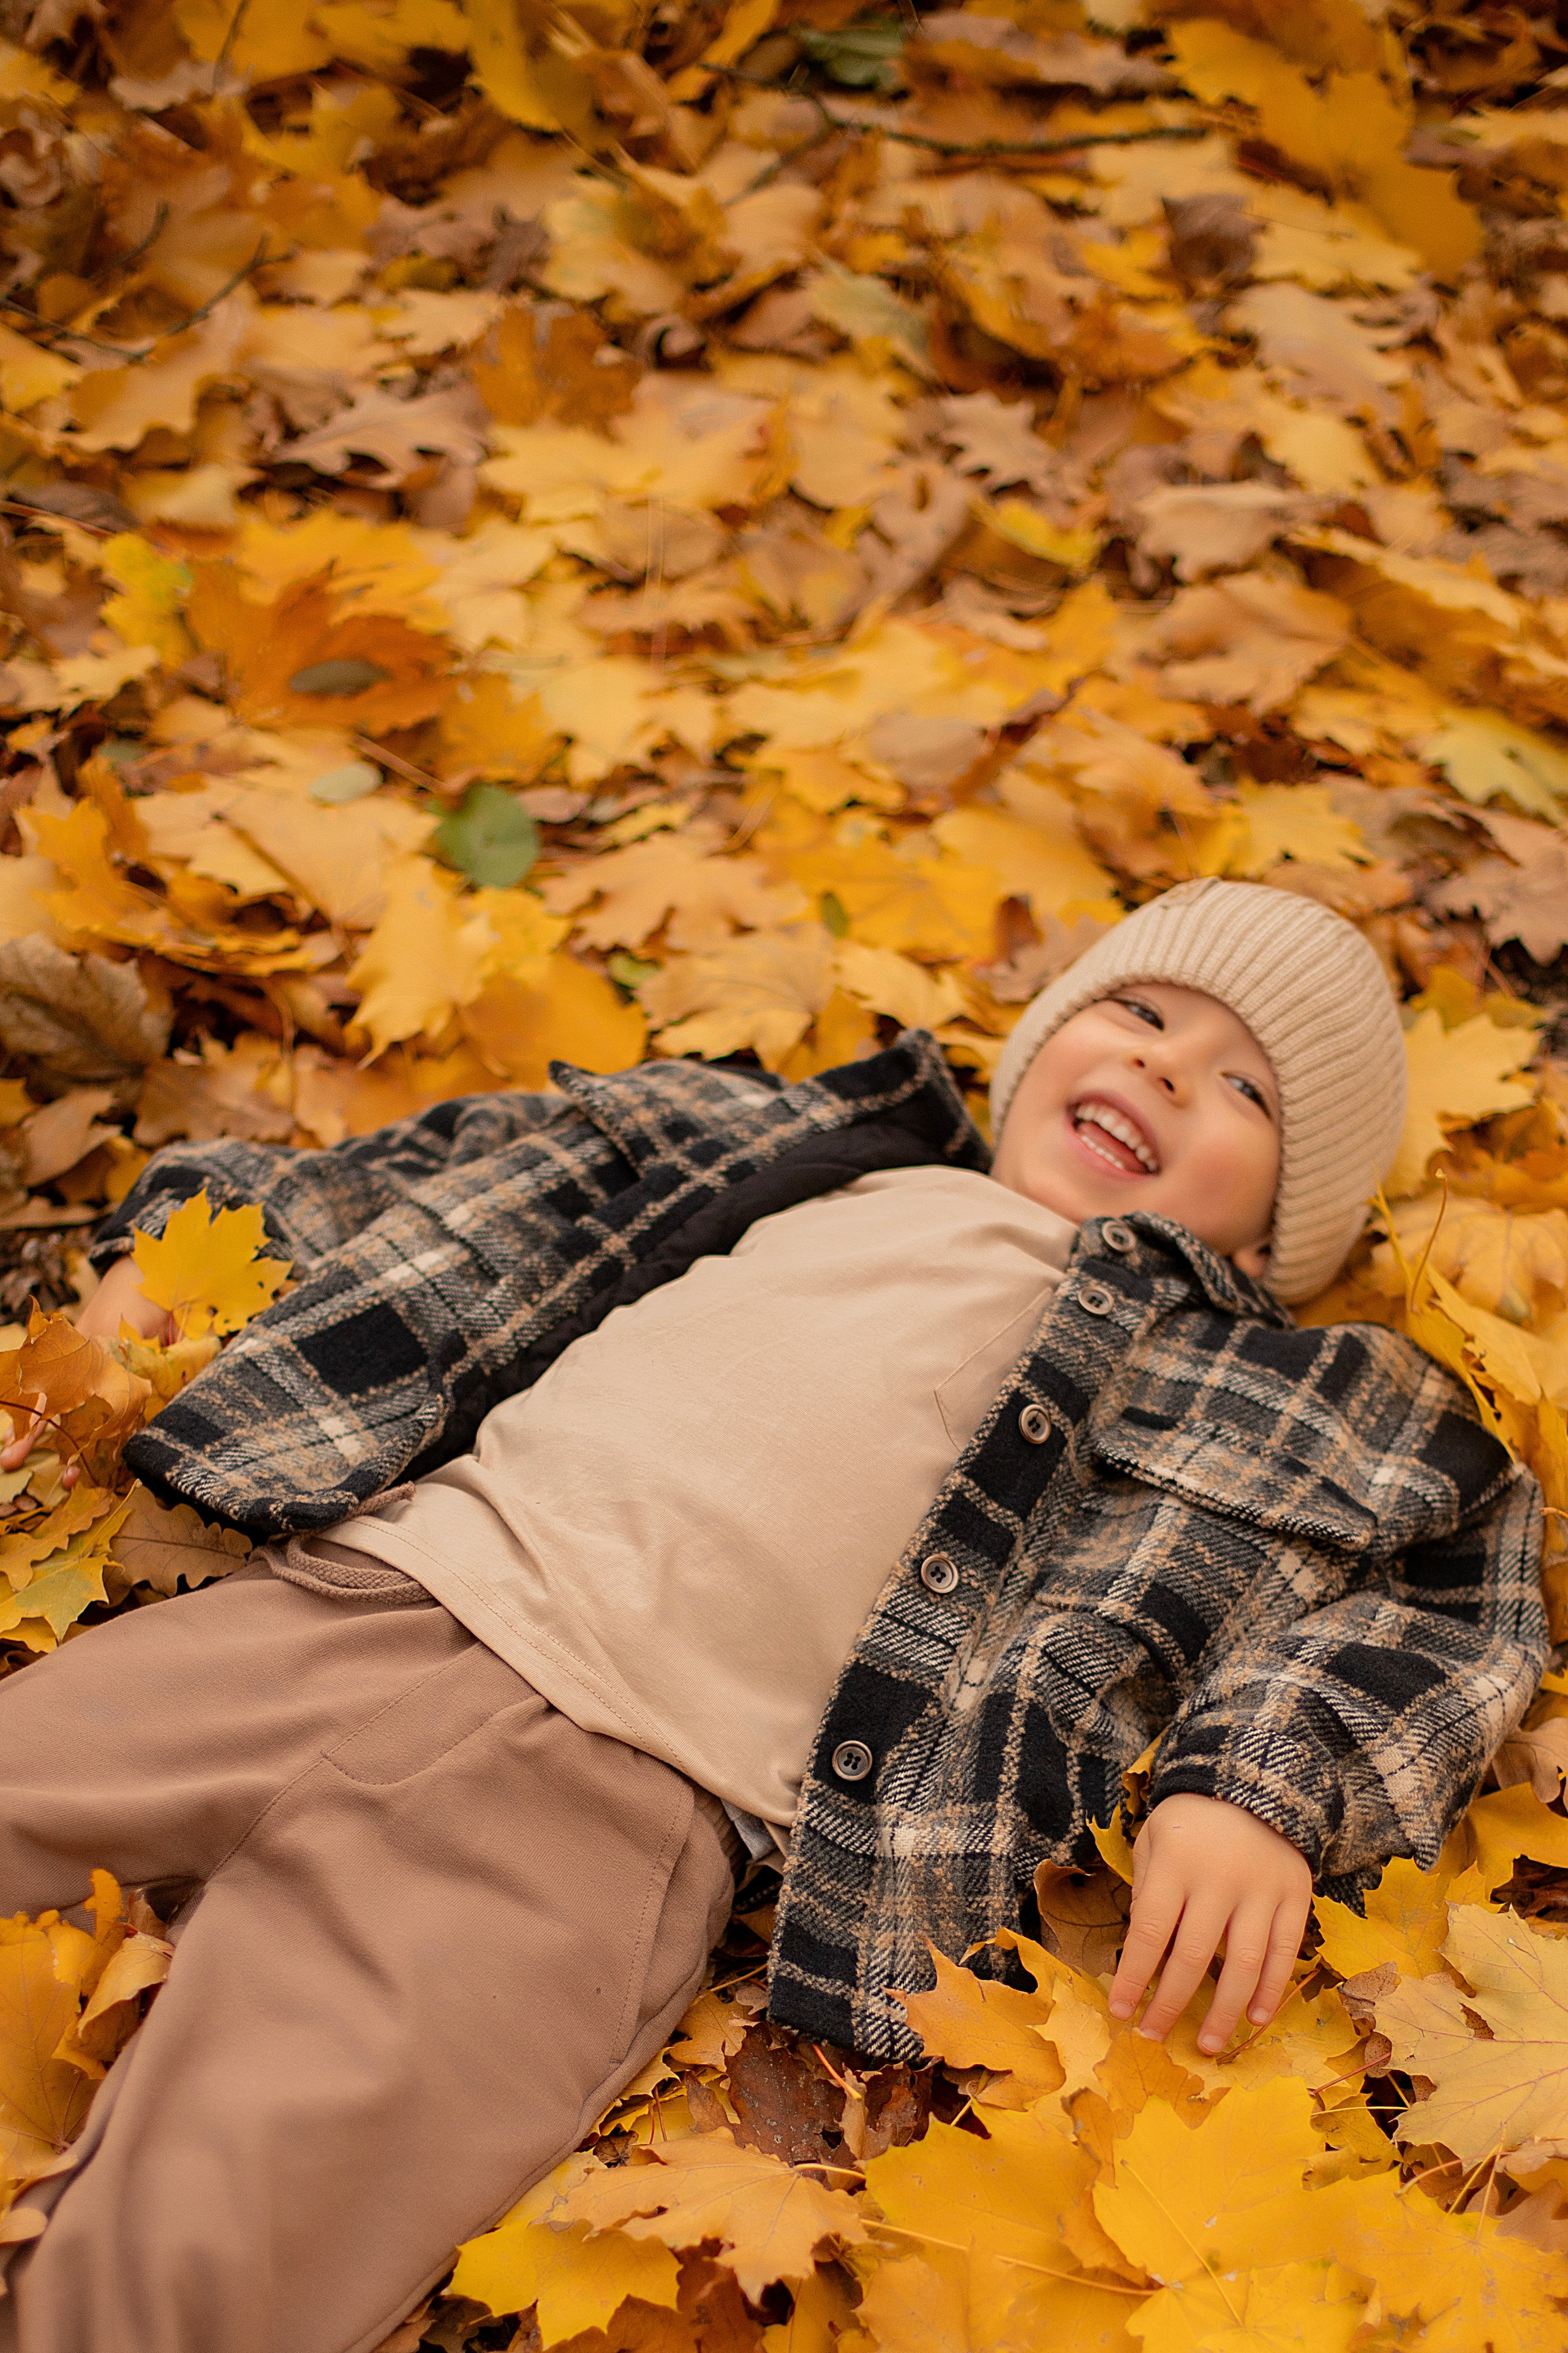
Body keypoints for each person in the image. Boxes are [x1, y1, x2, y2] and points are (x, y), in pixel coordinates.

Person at [0, 879, 1546, 2353]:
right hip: (364, 1602)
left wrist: (1258, 1785)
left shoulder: (1277, 1395)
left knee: (242, 2211)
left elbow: (1451, 1583)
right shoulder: (799, 1140)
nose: (1160, 1061)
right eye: (1135, 1008)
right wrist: (178, 1265)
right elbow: (470, 1176)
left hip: (603, 1823)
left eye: (1245, 1091)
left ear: (1288, 1232)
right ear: (1040, 1041)